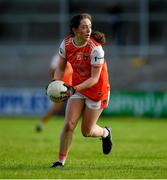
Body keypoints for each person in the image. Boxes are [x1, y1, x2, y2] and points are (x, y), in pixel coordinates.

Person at [51, 13, 112, 168]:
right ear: (75, 30)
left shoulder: (96, 48)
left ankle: (105, 133)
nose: (88, 30)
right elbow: (60, 68)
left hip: (97, 90)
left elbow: (94, 79)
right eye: (84, 27)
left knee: (87, 131)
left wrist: (73, 88)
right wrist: (56, 83)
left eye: (90, 27)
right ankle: (60, 162)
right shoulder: (66, 44)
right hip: (77, 87)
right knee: (69, 125)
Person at [36, 54, 73, 132]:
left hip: (71, 86)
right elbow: (52, 70)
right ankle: (41, 123)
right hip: (60, 86)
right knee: (56, 108)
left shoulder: (73, 56)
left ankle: (71, 126)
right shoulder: (58, 57)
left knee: (73, 107)